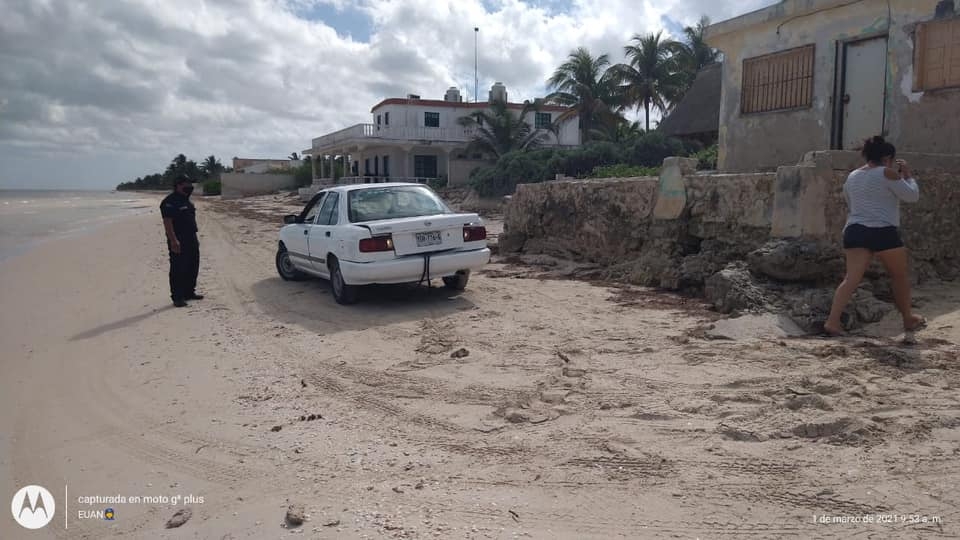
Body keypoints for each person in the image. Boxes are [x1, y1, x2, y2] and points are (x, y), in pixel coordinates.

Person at [823, 136, 924, 336]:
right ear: (887, 157)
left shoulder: (852, 176)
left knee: (851, 279)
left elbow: (851, 204)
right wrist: (908, 176)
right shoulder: (887, 173)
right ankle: (908, 319)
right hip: (883, 230)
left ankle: (832, 321)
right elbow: (912, 196)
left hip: (855, 230)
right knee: (899, 276)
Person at [160, 175, 204, 307]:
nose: (189, 186)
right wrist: (173, 241)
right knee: (178, 268)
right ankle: (177, 297)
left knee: (193, 265)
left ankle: (189, 292)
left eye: (190, 183)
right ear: (178, 185)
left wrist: (195, 239)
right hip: (178, 239)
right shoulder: (169, 202)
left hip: (191, 237)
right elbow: (167, 222)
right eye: (186, 184)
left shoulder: (187, 201)